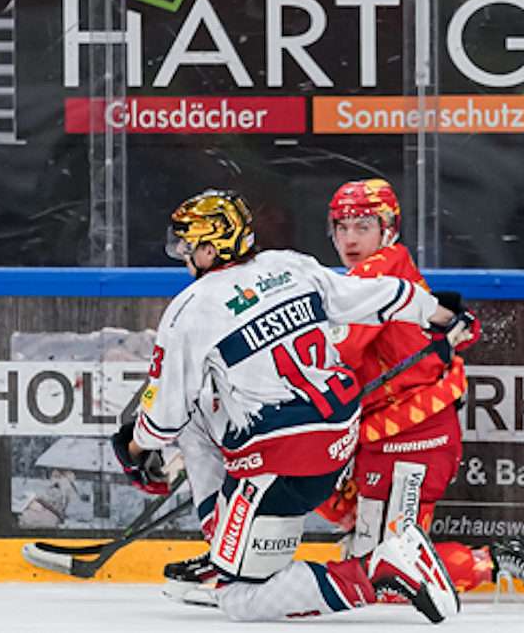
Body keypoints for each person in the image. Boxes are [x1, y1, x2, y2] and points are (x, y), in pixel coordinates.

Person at [112, 188, 473, 623]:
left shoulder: (189, 310)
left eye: (190, 248)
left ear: (210, 248)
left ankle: (374, 571)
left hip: (282, 461)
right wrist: (441, 316)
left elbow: (163, 420)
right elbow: (385, 295)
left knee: (239, 600)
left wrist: (132, 450)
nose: (186, 257)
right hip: (339, 439)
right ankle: (231, 545)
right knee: (205, 408)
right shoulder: (289, 265)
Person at [316, 178, 524, 604]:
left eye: (362, 226)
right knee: (342, 514)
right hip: (389, 435)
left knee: (388, 572)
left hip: (411, 435)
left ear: (388, 229)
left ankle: (512, 557)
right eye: (341, 227)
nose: (349, 238)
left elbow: (336, 353)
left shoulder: (376, 274)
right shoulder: (374, 272)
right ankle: (368, 546)